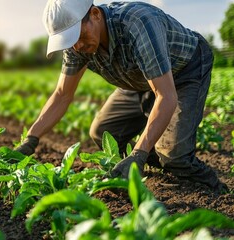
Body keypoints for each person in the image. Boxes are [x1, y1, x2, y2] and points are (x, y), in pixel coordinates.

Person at [15, 0, 228, 193]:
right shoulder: (76, 46)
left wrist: (139, 154)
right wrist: (31, 139)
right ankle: (155, 158)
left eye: (79, 35)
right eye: (69, 41)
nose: (77, 45)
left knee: (175, 155)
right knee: (103, 133)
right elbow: (62, 94)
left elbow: (165, 94)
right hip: (137, 79)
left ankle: (218, 192)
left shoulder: (138, 24)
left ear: (96, 14)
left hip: (183, 71)